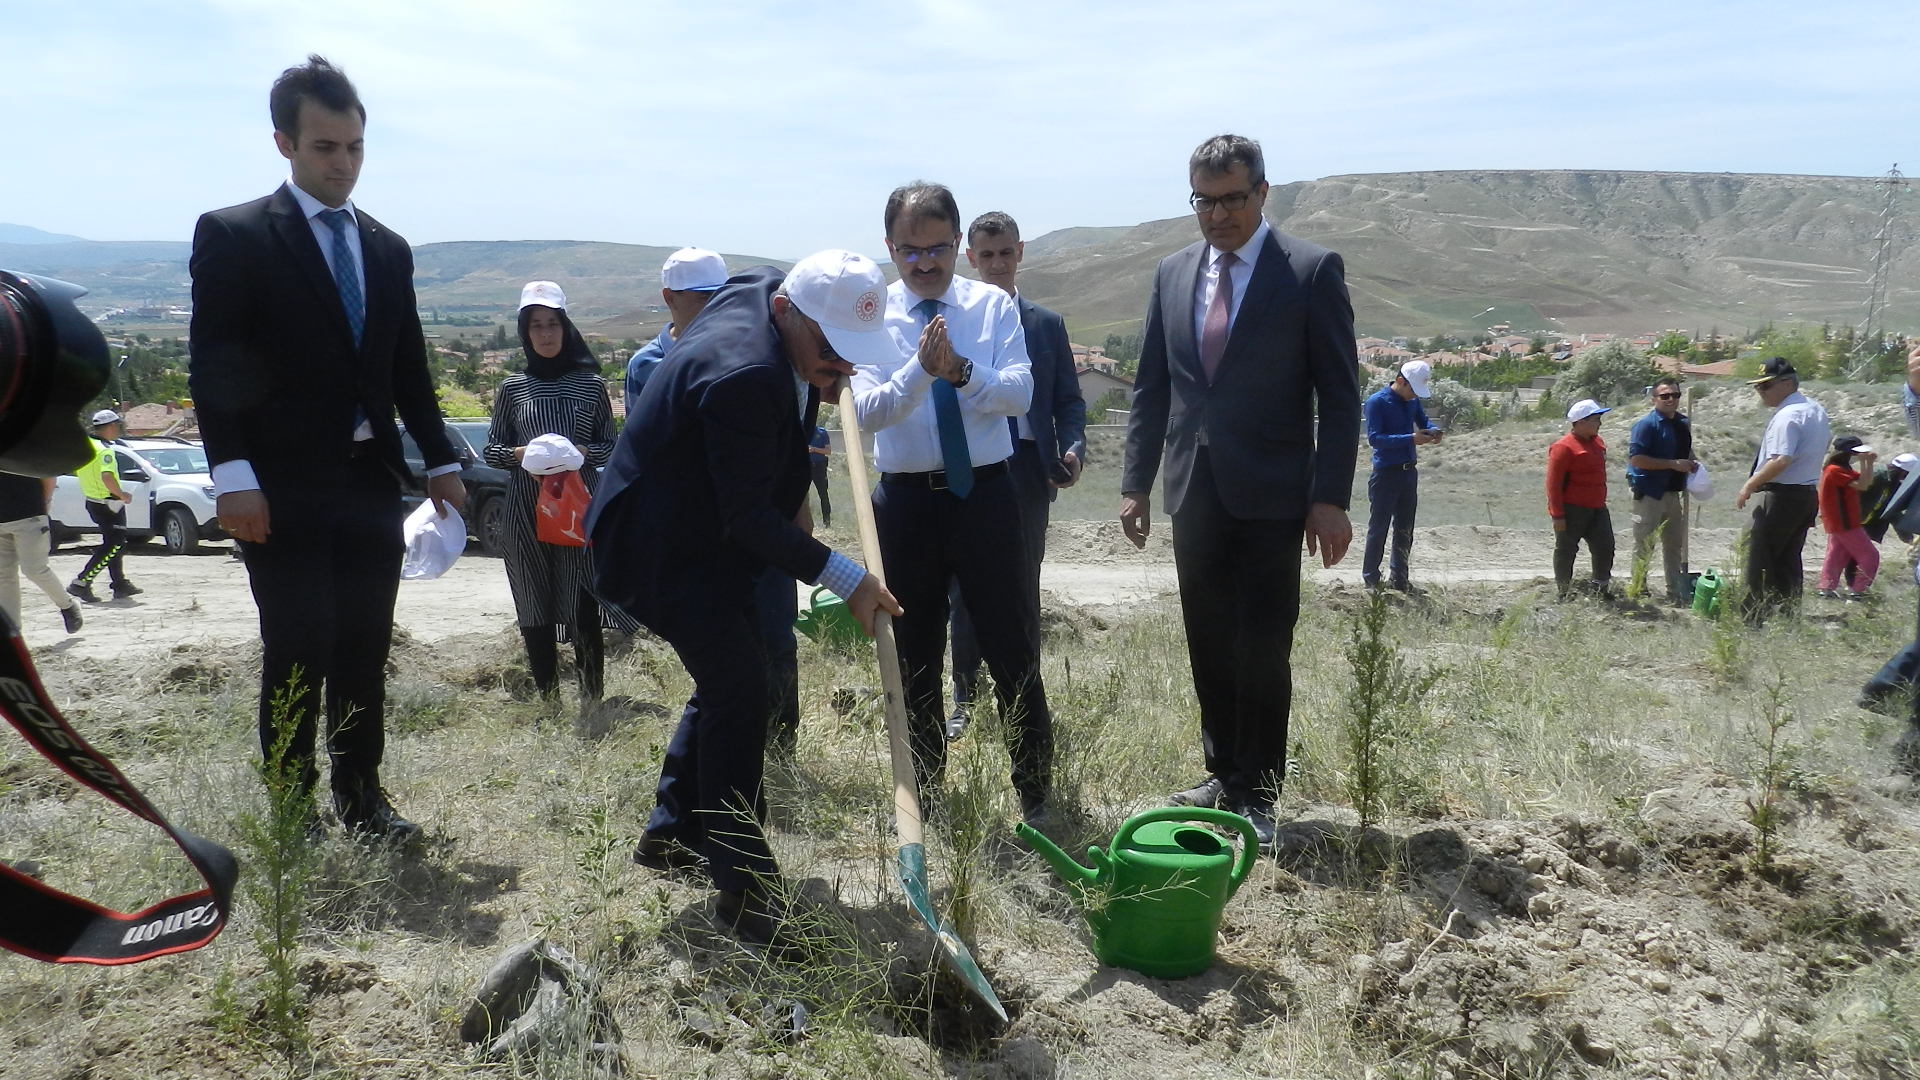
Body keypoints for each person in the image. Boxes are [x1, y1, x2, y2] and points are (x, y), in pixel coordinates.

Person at [587, 250, 902, 948]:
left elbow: (760, 484)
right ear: (789, 312)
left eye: (852, 353)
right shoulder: (746, 375)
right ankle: (743, 887)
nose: (843, 368)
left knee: (729, 678)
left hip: (696, 529)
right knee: (739, 690)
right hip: (655, 546)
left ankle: (670, 836)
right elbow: (747, 520)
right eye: (831, 351)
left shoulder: (770, 295)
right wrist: (849, 579)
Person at [188, 56, 465, 841]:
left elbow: (406, 361)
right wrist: (234, 476)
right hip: (279, 487)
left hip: (369, 481)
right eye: (324, 148)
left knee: (364, 646)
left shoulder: (386, 247)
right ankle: (291, 807)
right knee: (299, 645)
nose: (342, 164)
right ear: (284, 143)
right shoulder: (237, 236)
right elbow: (214, 364)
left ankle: (363, 799)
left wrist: (441, 463)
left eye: (353, 148)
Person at [1119, 135, 1361, 848]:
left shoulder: (1310, 271)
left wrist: (1330, 496)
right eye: (1204, 200)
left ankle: (1259, 790)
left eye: (1231, 198)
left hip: (1273, 491)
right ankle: (1221, 771)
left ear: (1262, 193)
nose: (1218, 214)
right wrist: (1134, 484)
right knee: (1208, 638)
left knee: (1262, 643)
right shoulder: (1171, 273)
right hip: (1193, 488)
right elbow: (1151, 388)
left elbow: (1340, 396)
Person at [851, 183, 1056, 826]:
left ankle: (1036, 794)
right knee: (912, 651)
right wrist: (922, 368)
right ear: (890, 248)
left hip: (987, 498)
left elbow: (1020, 393)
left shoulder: (991, 306)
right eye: (910, 250)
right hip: (907, 506)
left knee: (1011, 643)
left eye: (937, 248)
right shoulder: (868, 317)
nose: (924, 263)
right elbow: (867, 410)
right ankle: (928, 799)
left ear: (957, 244)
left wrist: (961, 370)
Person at [945, 210, 1086, 740]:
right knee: (964, 586)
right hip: (974, 464)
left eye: (1006, 253)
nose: (997, 264)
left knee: (1022, 583)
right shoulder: (957, 322)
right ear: (970, 258)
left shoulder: (1045, 324)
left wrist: (1072, 447)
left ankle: (1024, 701)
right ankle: (964, 697)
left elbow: (1069, 402)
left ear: (1020, 252)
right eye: (987, 255)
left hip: (1027, 469)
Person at [483, 282, 616, 705]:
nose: (546, 333)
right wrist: (521, 453)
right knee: (532, 597)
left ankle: (592, 699)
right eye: (536, 325)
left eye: (553, 323)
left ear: (566, 327)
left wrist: (581, 452)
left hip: (577, 503)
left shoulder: (590, 386)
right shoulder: (512, 388)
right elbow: (492, 449)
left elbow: (610, 445)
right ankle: (548, 699)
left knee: (582, 597)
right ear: (525, 332)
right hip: (525, 505)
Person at [1733, 358, 1830, 624]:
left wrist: (1749, 485)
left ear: (1787, 383)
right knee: (1788, 559)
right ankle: (1787, 616)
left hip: (1781, 495)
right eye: (1758, 387)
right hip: (1805, 493)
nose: (1760, 392)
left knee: (1758, 557)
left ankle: (1753, 618)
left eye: (1766, 386)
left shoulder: (1787, 416)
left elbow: (1781, 460)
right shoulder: (1815, 409)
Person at [1361, 359, 1440, 592]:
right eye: (1413, 390)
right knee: (1379, 528)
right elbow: (1375, 439)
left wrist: (1432, 430)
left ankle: (1400, 579)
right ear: (1400, 381)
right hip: (1385, 474)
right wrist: (1411, 439)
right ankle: (1371, 579)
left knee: (1405, 529)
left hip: (1408, 472)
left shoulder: (1412, 401)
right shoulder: (1376, 402)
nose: (1415, 396)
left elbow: (1423, 420)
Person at [624, 247, 727, 417]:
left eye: (721, 295)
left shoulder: (742, 353)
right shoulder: (645, 364)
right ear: (669, 297)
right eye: (704, 297)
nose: (715, 304)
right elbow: (638, 437)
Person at [1625, 377, 1696, 604]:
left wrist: (1693, 465)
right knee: (1645, 544)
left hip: (1673, 494)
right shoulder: (1646, 426)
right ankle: (1638, 589)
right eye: (1665, 396)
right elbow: (1637, 459)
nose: (1671, 400)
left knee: (1674, 544)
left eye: (1675, 395)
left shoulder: (1683, 424)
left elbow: (1685, 452)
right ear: (1654, 398)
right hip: (1649, 494)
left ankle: (1675, 592)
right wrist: (1672, 464)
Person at [66, 409, 139, 603]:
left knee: (114, 543)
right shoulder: (105, 450)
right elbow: (107, 477)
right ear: (111, 426)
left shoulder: (86, 446)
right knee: (114, 545)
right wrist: (121, 494)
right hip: (108, 502)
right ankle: (82, 582)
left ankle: (119, 584)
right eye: (118, 426)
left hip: (93, 501)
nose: (118, 430)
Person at [1547, 400, 1615, 600]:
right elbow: (1553, 484)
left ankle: (1600, 589)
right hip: (1572, 509)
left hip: (1597, 508)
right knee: (1566, 550)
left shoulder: (1598, 442)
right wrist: (1557, 515)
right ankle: (1564, 592)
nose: (1599, 423)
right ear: (1580, 422)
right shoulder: (1563, 447)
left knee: (1605, 546)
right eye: (1596, 419)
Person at [0, 472, 82, 633]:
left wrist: (44, 503)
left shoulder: (25, 447)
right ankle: (14, 632)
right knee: (3, 576)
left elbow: (48, 473)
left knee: (34, 569)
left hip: (29, 515)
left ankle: (68, 604)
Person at [1815, 436, 1879, 601]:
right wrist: (1867, 462)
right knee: (1870, 555)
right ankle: (1858, 590)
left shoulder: (1840, 468)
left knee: (1836, 555)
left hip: (1840, 521)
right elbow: (1863, 486)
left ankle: (1826, 588)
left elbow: (1867, 481)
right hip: (1844, 521)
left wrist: (1868, 463)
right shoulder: (1835, 470)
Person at [807, 425, 831, 527]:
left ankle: (827, 521)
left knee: (823, 494)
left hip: (819, 467)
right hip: (805, 467)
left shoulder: (822, 432)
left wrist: (814, 449)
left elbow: (828, 451)